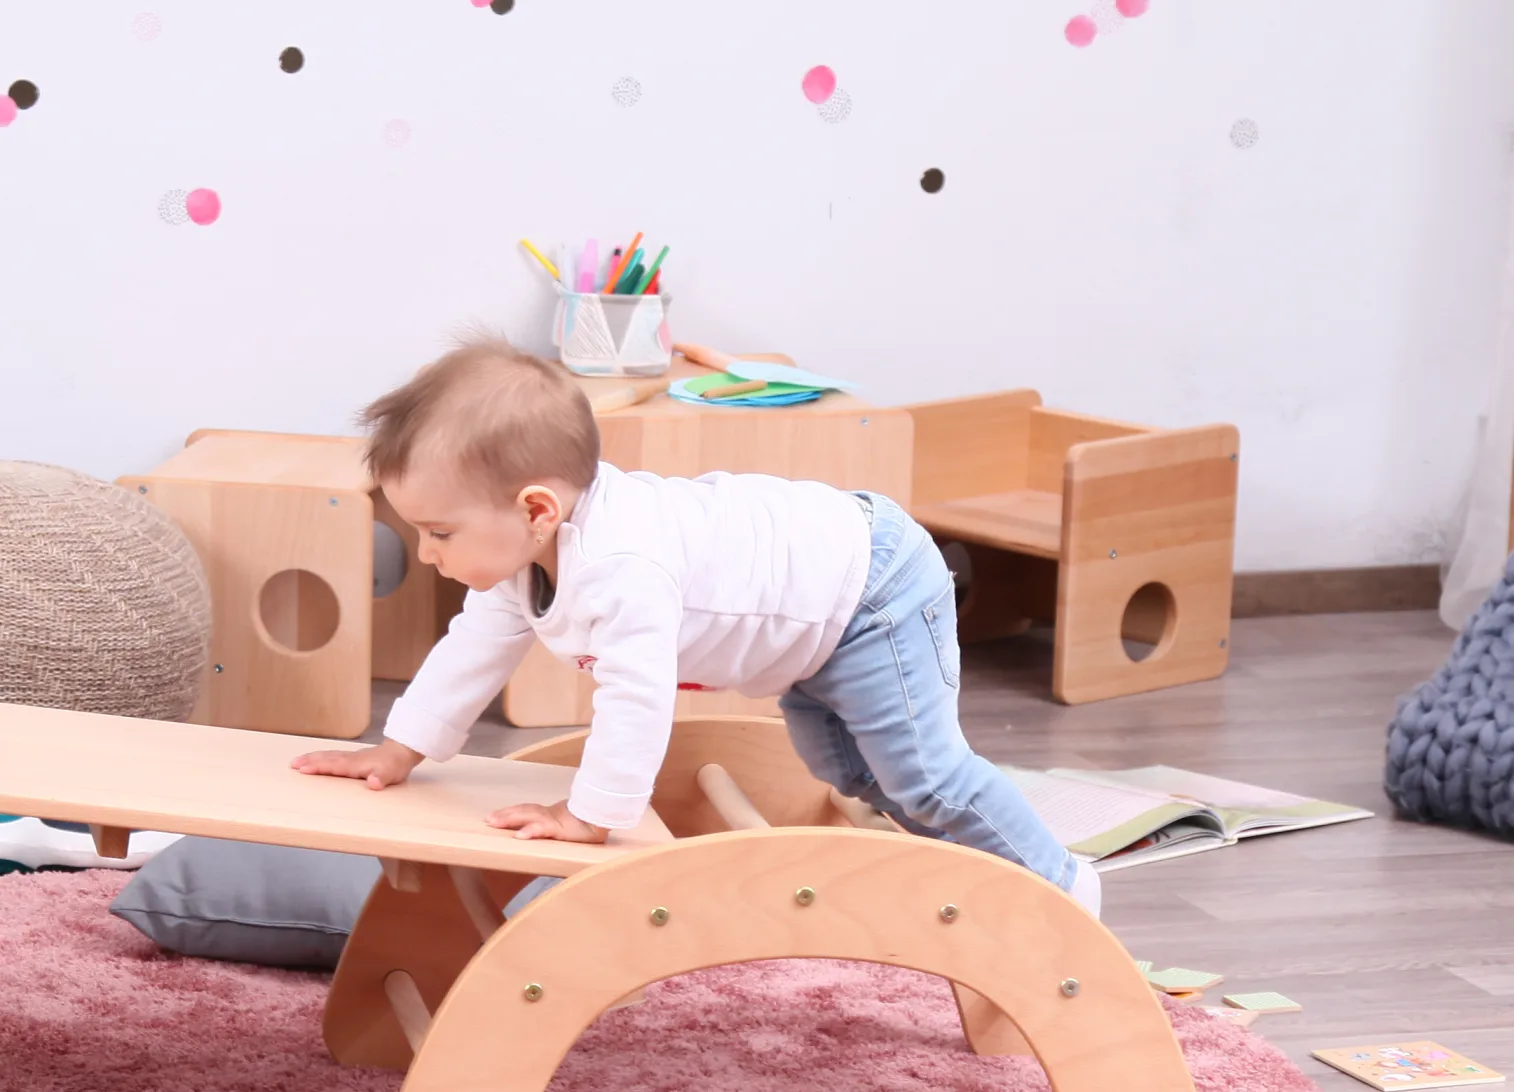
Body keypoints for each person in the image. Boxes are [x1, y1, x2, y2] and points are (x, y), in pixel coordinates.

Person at [292, 338, 1099, 915]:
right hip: (805, 632)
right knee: (850, 774)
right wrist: (397, 751)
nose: (427, 555)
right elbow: (473, 647)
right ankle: (980, 874)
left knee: (921, 774)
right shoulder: (527, 555)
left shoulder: (621, 566)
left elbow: (637, 700)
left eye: (438, 532)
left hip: (869, 588)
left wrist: (589, 817)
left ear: (535, 509)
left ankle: (1062, 886)